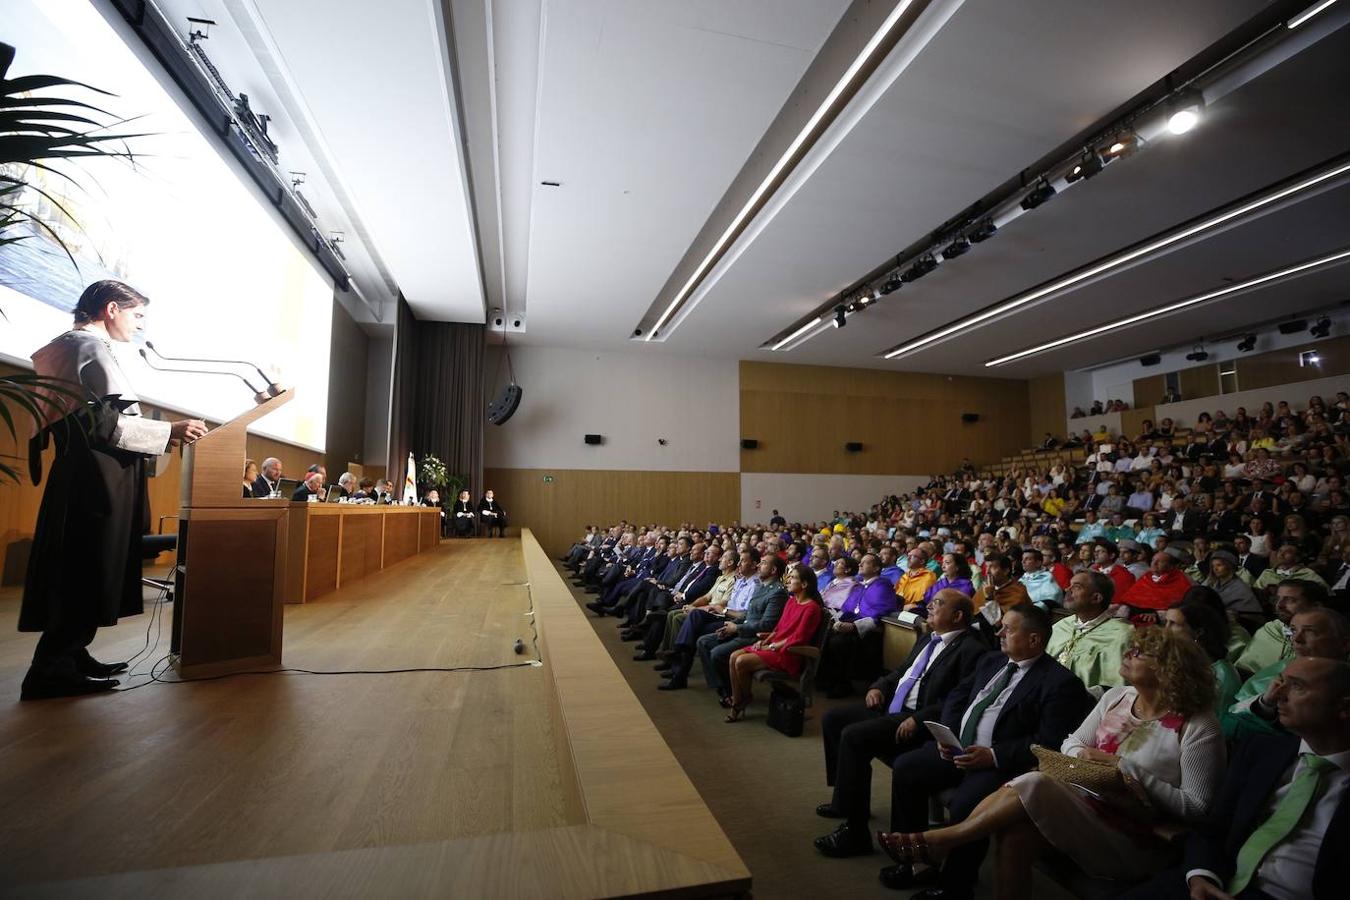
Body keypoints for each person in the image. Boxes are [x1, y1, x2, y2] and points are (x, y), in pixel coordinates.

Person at [879, 627, 1223, 899]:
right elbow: (1072, 743)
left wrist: (1122, 769)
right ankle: (945, 843)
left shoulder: (1198, 725)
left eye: (1141, 652)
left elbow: (1198, 807)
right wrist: (1087, 763)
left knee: (1036, 781)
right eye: (1131, 647)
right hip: (1084, 805)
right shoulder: (1118, 697)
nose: (1129, 654)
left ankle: (945, 840)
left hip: (1137, 835)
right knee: (1016, 834)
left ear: (1170, 669)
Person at [20, 280, 207, 700]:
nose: (139, 325)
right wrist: (170, 430)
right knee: (84, 567)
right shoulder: (85, 347)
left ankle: (71, 655)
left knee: (90, 566)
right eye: (136, 315)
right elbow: (100, 425)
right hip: (94, 481)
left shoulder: (73, 347)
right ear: (110, 309)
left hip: (95, 475)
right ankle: (51, 667)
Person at [871, 604, 1089, 895]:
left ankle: (956, 886)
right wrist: (946, 735)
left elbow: (1048, 741)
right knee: (907, 767)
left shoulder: (1060, 682)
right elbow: (957, 696)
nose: (998, 633)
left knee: (966, 804)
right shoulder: (992, 660)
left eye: (1008, 629)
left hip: (1000, 763)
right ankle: (917, 861)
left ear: (1034, 639)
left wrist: (993, 755)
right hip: (957, 749)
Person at [1123, 657, 1350, 900]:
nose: (1278, 694)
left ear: (1344, 707)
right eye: (1281, 680)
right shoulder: (1264, 751)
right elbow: (1213, 828)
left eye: (1297, 687)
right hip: (1213, 880)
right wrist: (1202, 874)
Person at [814, 591, 987, 858]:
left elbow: (957, 700)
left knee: (854, 736)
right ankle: (845, 799)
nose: (929, 606)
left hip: (919, 720)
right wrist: (879, 686)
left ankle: (855, 831)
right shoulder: (928, 638)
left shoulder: (972, 650)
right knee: (834, 719)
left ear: (958, 616)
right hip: (892, 709)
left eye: (938, 604)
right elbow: (902, 671)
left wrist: (916, 719)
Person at [723, 564, 825, 722]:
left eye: (792, 578)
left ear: (804, 584)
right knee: (733, 657)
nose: (788, 581)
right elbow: (779, 628)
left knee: (741, 661)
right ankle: (741, 699)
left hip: (790, 653)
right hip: (775, 647)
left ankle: (740, 702)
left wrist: (771, 645)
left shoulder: (811, 608)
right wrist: (764, 640)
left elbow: (799, 637)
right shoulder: (791, 602)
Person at [1046, 571, 1133, 695]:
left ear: (1096, 598)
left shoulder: (1121, 634)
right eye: (1069, 585)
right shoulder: (1061, 625)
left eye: (1076, 587)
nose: (1067, 589)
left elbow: (1116, 687)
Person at [1164, 602, 1242, 721]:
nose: (1165, 630)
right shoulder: (1175, 659)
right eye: (1166, 622)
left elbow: (1219, 723)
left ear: (1198, 632)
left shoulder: (1223, 676)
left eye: (1173, 624)